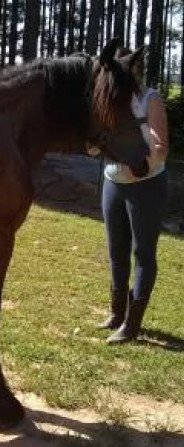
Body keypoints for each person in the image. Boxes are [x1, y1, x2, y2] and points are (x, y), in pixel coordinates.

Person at [98, 48, 169, 344]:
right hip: (112, 182)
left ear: (136, 70)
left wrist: (145, 160)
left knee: (143, 253)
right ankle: (117, 313)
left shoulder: (150, 99)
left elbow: (162, 147)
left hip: (147, 184)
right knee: (116, 250)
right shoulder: (112, 100)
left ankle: (132, 324)